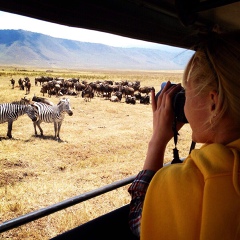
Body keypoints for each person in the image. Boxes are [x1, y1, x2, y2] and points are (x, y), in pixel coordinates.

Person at [128, 30, 240, 239]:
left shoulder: (194, 180)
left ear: (213, 102)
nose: (184, 107)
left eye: (187, 94)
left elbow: (140, 223)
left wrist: (157, 141)